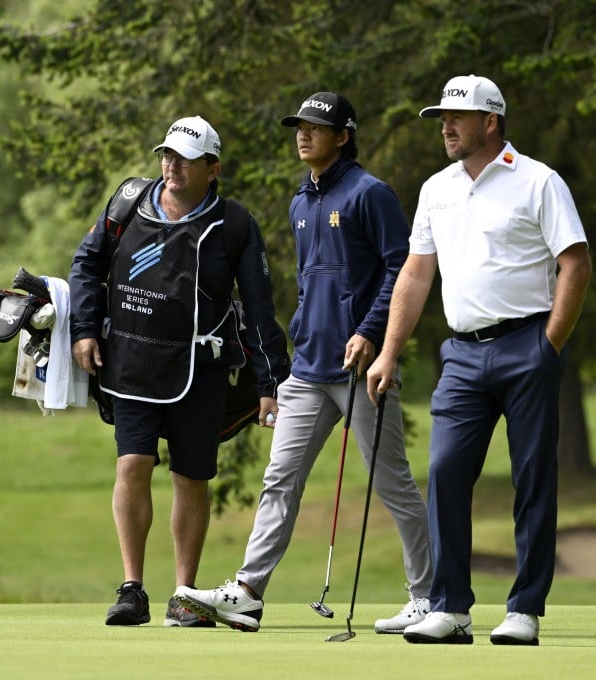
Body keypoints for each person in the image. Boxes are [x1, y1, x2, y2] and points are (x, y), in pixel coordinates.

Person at [175, 92, 433, 633]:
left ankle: (429, 597)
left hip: (363, 368)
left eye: (316, 127)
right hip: (309, 369)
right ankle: (248, 592)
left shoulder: (370, 194)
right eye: (299, 126)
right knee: (279, 479)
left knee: (392, 483)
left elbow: (400, 271)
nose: (303, 134)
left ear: (343, 136)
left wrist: (370, 334)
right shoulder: (300, 203)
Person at [367, 74, 592, 645]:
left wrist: (549, 345)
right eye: (441, 116)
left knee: (532, 478)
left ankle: (524, 609)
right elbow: (416, 275)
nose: (445, 125)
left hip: (527, 347)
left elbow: (575, 263)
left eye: (456, 117)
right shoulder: (436, 188)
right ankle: (450, 606)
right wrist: (389, 352)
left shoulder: (538, 181)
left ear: (490, 121)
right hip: (462, 356)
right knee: (445, 473)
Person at [68, 115, 290, 628]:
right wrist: (83, 328)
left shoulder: (233, 223)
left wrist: (268, 382)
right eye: (166, 156)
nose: (170, 166)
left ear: (212, 168)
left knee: (191, 478)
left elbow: (259, 308)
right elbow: (87, 263)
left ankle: (184, 594)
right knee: (132, 465)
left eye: (184, 159)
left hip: (202, 368)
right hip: (132, 364)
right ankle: (132, 588)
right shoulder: (128, 201)